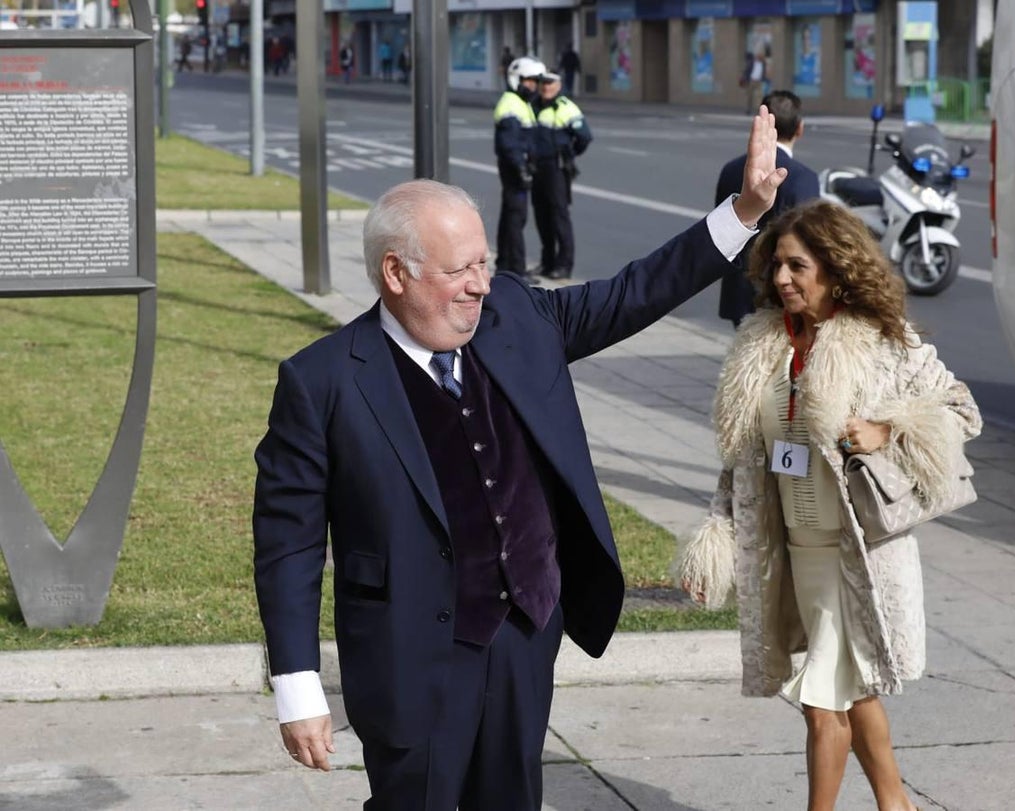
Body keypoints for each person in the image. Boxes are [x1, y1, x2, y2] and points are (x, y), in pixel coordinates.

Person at [253, 107, 789, 810]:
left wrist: (744, 210)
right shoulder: (322, 381)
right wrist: (296, 687)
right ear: (395, 273)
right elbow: (287, 547)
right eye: (460, 270)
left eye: (485, 262)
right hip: (410, 656)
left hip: (524, 637)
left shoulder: (515, 316)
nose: (480, 283)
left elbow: (634, 291)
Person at [677, 200, 982, 811]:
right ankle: (896, 805)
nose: (783, 279)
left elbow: (960, 409)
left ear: (835, 269)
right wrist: (717, 532)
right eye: (777, 267)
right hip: (798, 554)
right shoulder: (762, 346)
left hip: (858, 557)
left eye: (798, 266)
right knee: (852, 691)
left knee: (822, 705)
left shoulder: (882, 345)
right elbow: (741, 459)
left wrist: (888, 428)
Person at [716, 89, 819, 328]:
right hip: (780, 295)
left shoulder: (731, 169)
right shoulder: (802, 178)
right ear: (799, 128)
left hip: (738, 291)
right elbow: (809, 242)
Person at [531, 72, 592, 280]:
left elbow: (584, 136)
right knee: (542, 216)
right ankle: (547, 262)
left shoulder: (566, 107)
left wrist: (569, 155)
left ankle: (564, 265)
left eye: (550, 83)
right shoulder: (534, 104)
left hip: (556, 168)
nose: (546, 87)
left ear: (559, 85)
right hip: (537, 167)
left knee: (559, 216)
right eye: (543, 83)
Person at [493, 56, 545, 279]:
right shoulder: (511, 104)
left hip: (517, 169)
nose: (532, 86)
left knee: (509, 218)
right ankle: (516, 270)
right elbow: (509, 144)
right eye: (529, 81)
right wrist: (522, 169)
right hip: (515, 171)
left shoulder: (520, 103)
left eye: (535, 81)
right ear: (517, 80)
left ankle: (504, 265)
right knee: (516, 219)